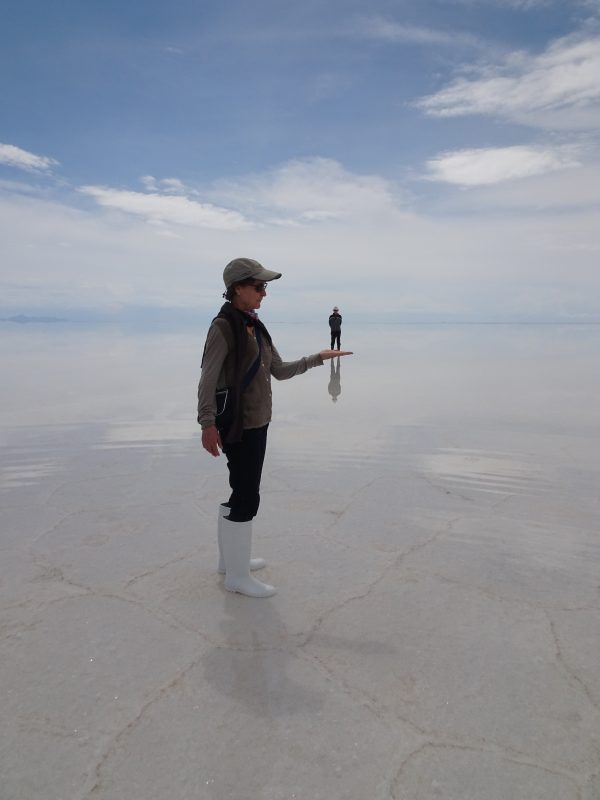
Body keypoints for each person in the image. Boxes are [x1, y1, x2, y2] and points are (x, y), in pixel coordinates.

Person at [198, 257, 352, 598]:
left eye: (264, 286)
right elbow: (207, 378)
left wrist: (318, 358)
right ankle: (237, 578)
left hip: (258, 421)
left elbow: (278, 370)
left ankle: (230, 563)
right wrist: (207, 423)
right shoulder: (223, 326)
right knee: (246, 497)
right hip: (239, 424)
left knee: (240, 492)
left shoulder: (255, 325)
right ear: (237, 289)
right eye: (258, 286)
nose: (264, 293)